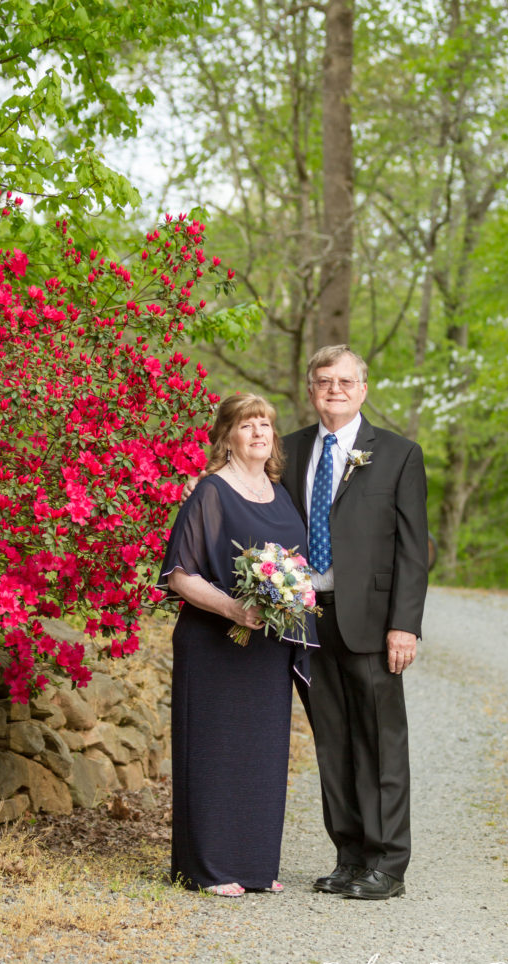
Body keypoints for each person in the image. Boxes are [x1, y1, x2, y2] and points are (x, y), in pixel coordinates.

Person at [280, 345, 429, 900]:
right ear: (311, 389)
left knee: (380, 742)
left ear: (364, 388)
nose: (334, 389)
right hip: (306, 617)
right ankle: (349, 855)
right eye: (324, 381)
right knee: (332, 741)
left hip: (372, 619)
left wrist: (405, 625)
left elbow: (414, 551)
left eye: (345, 381)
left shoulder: (397, 454)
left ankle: (388, 863)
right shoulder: (289, 450)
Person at [159, 392, 317, 898]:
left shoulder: (280, 493)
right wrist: (233, 608)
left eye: (266, 425)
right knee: (215, 750)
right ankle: (207, 868)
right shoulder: (210, 492)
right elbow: (180, 575)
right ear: (227, 435)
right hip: (215, 643)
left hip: (268, 646)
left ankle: (253, 865)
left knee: (262, 752)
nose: (259, 433)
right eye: (247, 425)